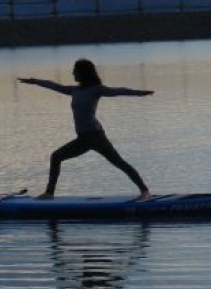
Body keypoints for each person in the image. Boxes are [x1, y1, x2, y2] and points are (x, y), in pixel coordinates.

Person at [18, 59, 154, 200]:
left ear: (84, 72)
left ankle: (145, 191)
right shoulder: (74, 90)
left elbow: (118, 91)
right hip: (83, 139)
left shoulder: (96, 89)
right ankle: (49, 193)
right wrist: (34, 81)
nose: (72, 73)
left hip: (96, 136)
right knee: (56, 156)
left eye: (75, 70)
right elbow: (54, 85)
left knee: (119, 163)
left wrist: (140, 93)